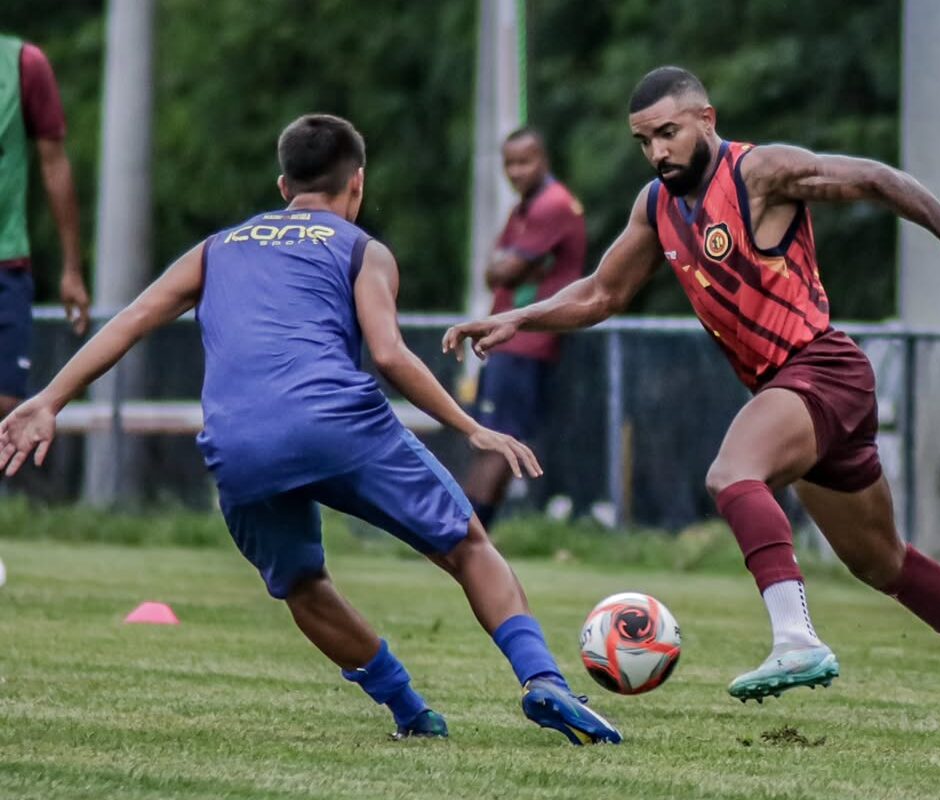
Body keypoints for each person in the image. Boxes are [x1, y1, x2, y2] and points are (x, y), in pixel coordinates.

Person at [444, 67, 940, 715]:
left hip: (819, 369)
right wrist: (519, 316)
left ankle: (795, 639)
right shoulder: (656, 206)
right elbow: (602, 292)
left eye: (668, 133)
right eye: (644, 141)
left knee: (733, 474)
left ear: (706, 120)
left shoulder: (760, 173)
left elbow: (881, 181)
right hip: (794, 389)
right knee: (880, 561)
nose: (657, 151)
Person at [0, 114, 621, 745]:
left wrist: (49, 398)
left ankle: (412, 713)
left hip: (238, 441)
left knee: (302, 583)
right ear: (357, 184)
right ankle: (541, 678)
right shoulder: (362, 250)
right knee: (467, 547)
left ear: (282, 184)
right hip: (336, 423)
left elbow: (131, 320)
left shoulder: (218, 249)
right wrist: (471, 428)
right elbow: (389, 355)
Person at [464, 127, 586, 529]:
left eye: (524, 161)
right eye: (509, 163)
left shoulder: (551, 206)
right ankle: (472, 536)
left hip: (522, 344)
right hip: (517, 344)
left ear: (543, 161)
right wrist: (510, 267)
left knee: (495, 443)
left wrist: (515, 266)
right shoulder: (526, 208)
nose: (515, 171)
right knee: (501, 440)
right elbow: (493, 273)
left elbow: (505, 270)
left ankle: (462, 535)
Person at [0, 33, 91, 418]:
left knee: (6, 405)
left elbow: (54, 165)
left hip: (6, 260)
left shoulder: (23, 64)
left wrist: (71, 269)